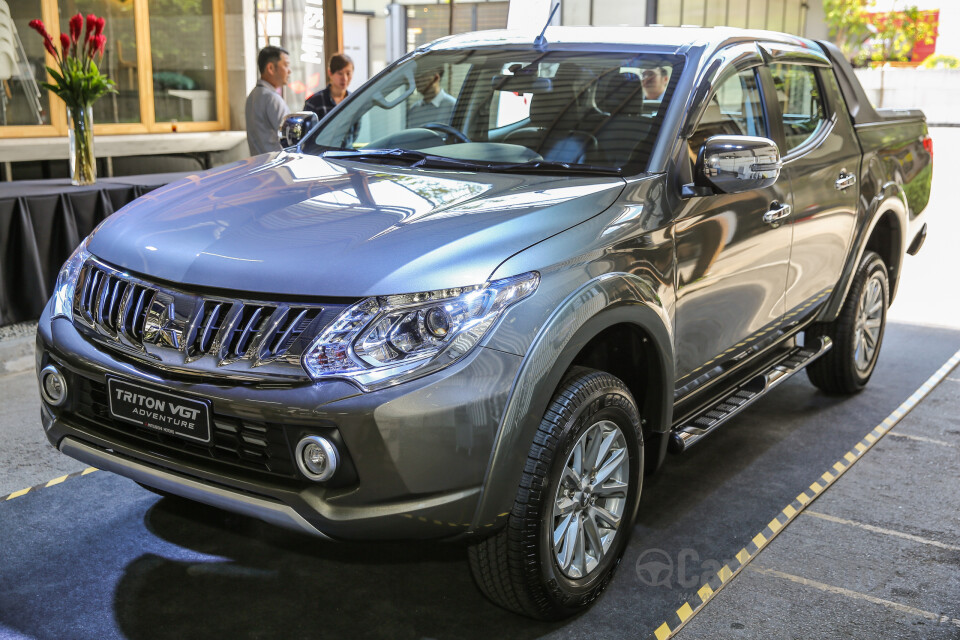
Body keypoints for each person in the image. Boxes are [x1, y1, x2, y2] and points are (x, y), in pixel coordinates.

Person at [245, 46, 292, 156]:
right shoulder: (272, 98)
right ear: (270, 68)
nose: (289, 71)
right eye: (285, 65)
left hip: (258, 165)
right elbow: (291, 137)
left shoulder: (252, 96)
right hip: (276, 165)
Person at [304, 53, 355, 119]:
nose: (345, 78)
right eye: (340, 73)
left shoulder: (354, 100)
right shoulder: (314, 102)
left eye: (348, 73)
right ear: (330, 73)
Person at [407, 62, 456, 129]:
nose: (416, 80)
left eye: (422, 75)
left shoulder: (452, 107)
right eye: (416, 75)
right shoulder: (414, 110)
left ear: (436, 78)